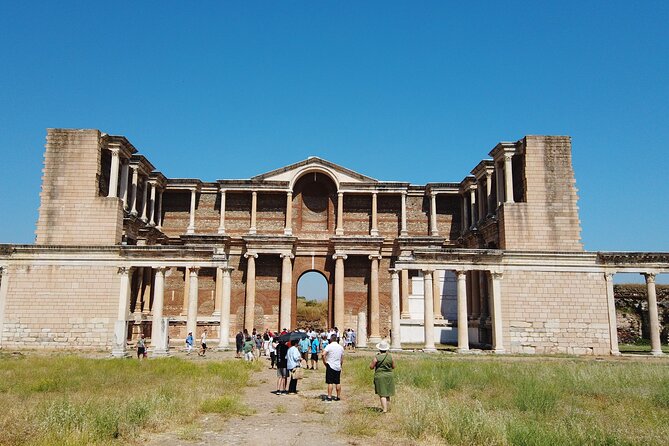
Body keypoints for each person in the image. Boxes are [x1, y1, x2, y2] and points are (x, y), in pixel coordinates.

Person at [369, 340, 395, 413]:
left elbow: (371, 367)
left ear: (379, 349)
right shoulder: (390, 357)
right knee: (388, 393)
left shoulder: (376, 357)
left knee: (382, 394)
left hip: (380, 376)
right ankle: (389, 408)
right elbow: (393, 366)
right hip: (389, 375)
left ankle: (384, 409)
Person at [322, 334, 344, 402]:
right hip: (337, 366)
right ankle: (338, 396)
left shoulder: (329, 346)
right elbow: (342, 358)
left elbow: (323, 354)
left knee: (330, 382)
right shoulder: (340, 347)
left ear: (331, 339)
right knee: (338, 382)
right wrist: (340, 365)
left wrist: (324, 362)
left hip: (330, 365)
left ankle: (329, 396)